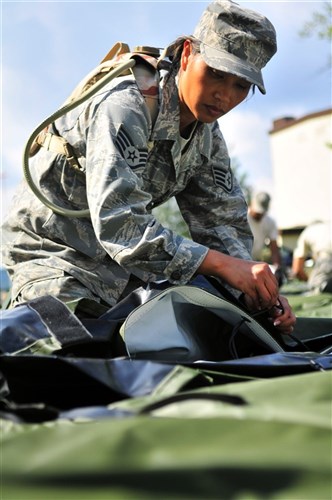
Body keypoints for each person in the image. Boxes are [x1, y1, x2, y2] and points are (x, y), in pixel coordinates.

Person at [1, 0, 296, 333]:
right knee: (75, 354)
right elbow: (120, 224)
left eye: (241, 86)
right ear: (187, 54)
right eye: (215, 73)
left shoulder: (207, 135)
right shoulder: (126, 106)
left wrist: (256, 291)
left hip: (116, 264)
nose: (224, 96)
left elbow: (223, 226)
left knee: (193, 331)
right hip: (52, 253)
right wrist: (224, 266)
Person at [247, 192, 283, 282]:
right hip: (239, 261)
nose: (260, 214)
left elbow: (274, 247)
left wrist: (276, 267)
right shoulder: (242, 218)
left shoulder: (270, 222)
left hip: (255, 262)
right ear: (252, 203)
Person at [292, 220, 332, 294]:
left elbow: (297, 270)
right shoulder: (328, 226)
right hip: (326, 256)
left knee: (315, 287)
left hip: (327, 257)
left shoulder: (307, 231)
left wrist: (309, 281)